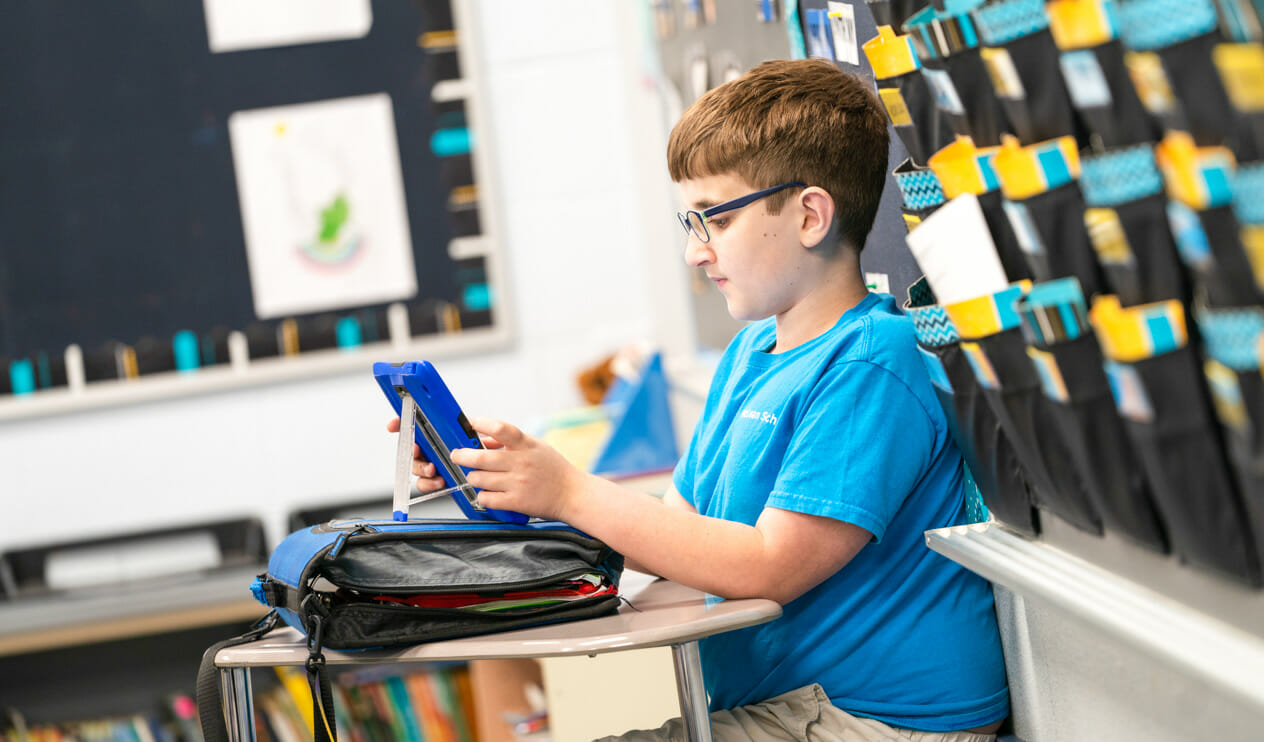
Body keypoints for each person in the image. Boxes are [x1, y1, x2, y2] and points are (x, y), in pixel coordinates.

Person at [392, 58, 1009, 741]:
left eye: (713, 220)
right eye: (691, 223)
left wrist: (569, 492)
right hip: (790, 711)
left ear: (809, 216)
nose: (695, 252)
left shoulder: (873, 360)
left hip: (883, 723)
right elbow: (679, 538)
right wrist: (508, 479)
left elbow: (769, 566)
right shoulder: (750, 356)